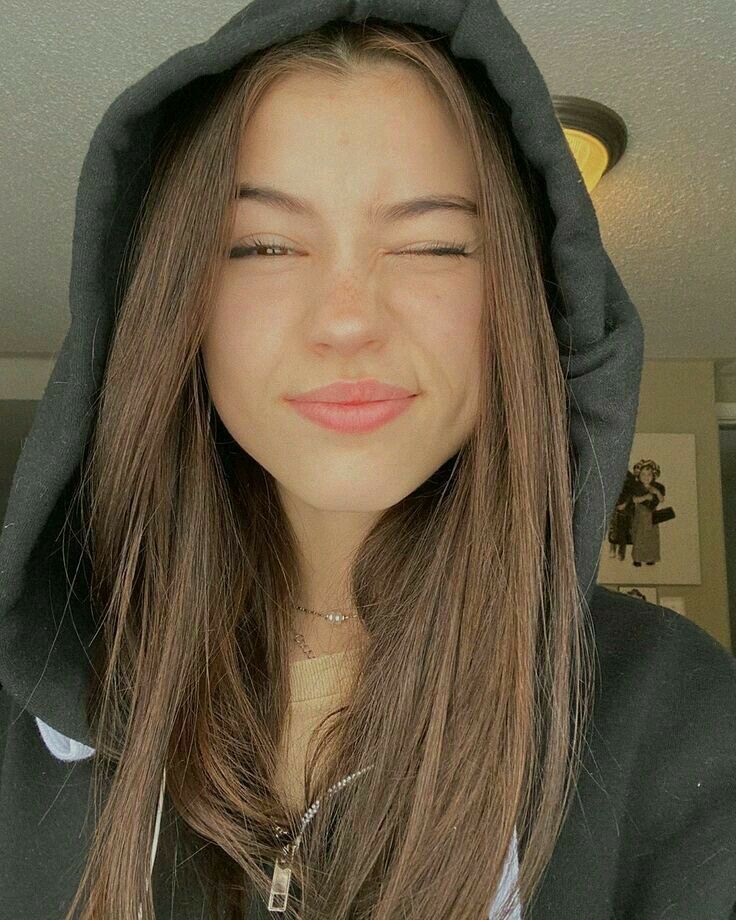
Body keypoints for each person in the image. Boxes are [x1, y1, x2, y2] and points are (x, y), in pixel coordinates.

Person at [1, 3, 735, 919]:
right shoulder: (30, 715)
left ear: (524, 297)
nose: (347, 319)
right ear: (173, 298)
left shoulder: (672, 715)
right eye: (265, 245)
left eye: (433, 244)